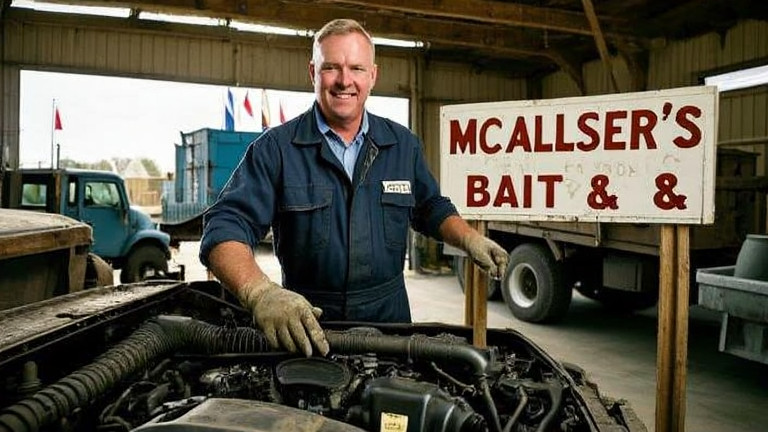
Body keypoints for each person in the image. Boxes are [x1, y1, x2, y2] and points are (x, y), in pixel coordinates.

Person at [199, 18, 508, 357]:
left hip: (390, 325)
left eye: (356, 68)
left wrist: (469, 238)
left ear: (372, 76)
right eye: (331, 67)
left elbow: (430, 206)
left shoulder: (402, 145)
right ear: (312, 72)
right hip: (308, 326)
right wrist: (260, 293)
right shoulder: (276, 149)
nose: (345, 80)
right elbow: (224, 226)